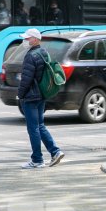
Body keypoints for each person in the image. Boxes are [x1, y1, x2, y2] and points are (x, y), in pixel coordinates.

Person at [16, 28, 64, 169]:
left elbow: (26, 79)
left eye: (28, 38)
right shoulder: (43, 52)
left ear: (35, 39)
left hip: (31, 96)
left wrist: (20, 94)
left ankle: (37, 159)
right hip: (41, 95)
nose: (25, 40)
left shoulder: (31, 56)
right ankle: (55, 152)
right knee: (40, 125)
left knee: (33, 128)